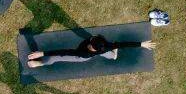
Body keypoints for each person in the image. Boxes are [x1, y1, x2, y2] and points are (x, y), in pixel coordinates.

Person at [27, 34, 155, 68]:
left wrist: (42, 53)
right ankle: (113, 55)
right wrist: (141, 44)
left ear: (94, 49)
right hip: (105, 49)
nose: (89, 44)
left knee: (56, 58)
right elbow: (124, 44)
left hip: (79, 56)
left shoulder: (84, 53)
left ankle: (40, 63)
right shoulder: (104, 43)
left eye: (91, 46)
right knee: (113, 49)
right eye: (91, 41)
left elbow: (63, 52)